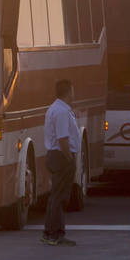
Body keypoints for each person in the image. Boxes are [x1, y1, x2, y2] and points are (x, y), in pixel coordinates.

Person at [41, 79, 79, 246]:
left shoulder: (54, 108)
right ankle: (55, 233)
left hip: (55, 155)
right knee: (59, 196)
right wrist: (69, 157)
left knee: (56, 195)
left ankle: (50, 232)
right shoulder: (62, 111)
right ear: (68, 92)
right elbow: (63, 138)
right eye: (73, 90)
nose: (74, 94)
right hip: (62, 156)